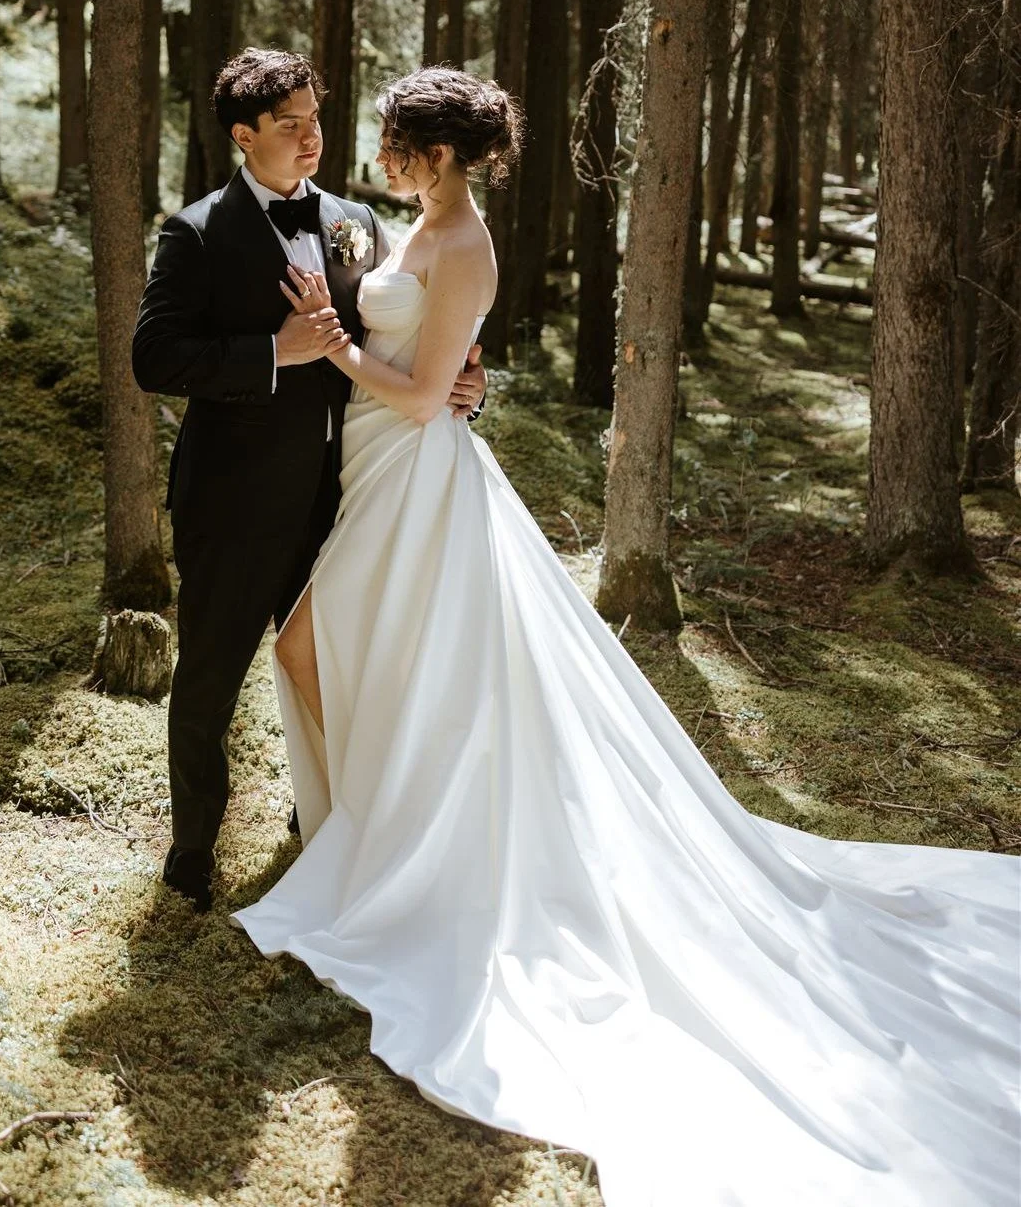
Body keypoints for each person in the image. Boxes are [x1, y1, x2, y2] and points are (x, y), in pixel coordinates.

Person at [232, 65, 1021, 1207]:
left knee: (328, 648)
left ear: (441, 156)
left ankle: (388, 848)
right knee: (344, 652)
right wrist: (416, 363)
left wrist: (339, 347)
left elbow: (415, 394)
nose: (384, 156)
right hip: (371, 469)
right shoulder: (408, 229)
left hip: (415, 477)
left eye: (400, 144)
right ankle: (369, 830)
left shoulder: (470, 248)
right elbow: (437, 371)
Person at [131, 49, 487, 914]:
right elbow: (153, 358)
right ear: (244, 135)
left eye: (316, 119)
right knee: (210, 679)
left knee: (331, 666)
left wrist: (469, 386)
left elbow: (408, 334)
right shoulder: (196, 232)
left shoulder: (357, 224)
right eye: (288, 124)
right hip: (229, 498)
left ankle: (331, 824)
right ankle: (190, 857)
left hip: (342, 494)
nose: (310, 137)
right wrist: (270, 353)